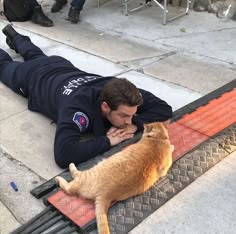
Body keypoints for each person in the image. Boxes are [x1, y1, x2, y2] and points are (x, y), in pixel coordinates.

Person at [0, 24, 173, 168]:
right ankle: (14, 38)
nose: (128, 120)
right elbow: (64, 155)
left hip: (59, 65)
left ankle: (16, 37)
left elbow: (164, 108)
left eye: (132, 114)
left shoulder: (122, 93)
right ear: (105, 106)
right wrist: (107, 141)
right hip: (32, 77)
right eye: (124, 116)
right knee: (5, 65)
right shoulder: (77, 108)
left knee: (36, 55)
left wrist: (136, 125)